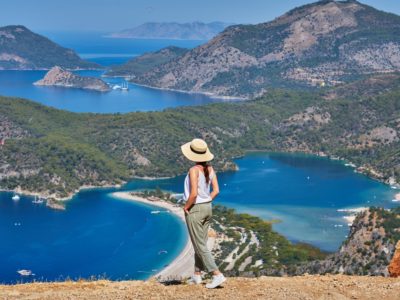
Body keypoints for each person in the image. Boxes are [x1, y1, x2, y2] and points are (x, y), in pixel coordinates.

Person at [181, 138, 226, 289]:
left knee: (199, 244)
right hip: (208, 207)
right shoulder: (211, 169)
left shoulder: (193, 170)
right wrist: (206, 200)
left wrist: (186, 207)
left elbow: (193, 194)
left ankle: (217, 274)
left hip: (196, 208)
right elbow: (216, 191)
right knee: (200, 242)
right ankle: (197, 275)